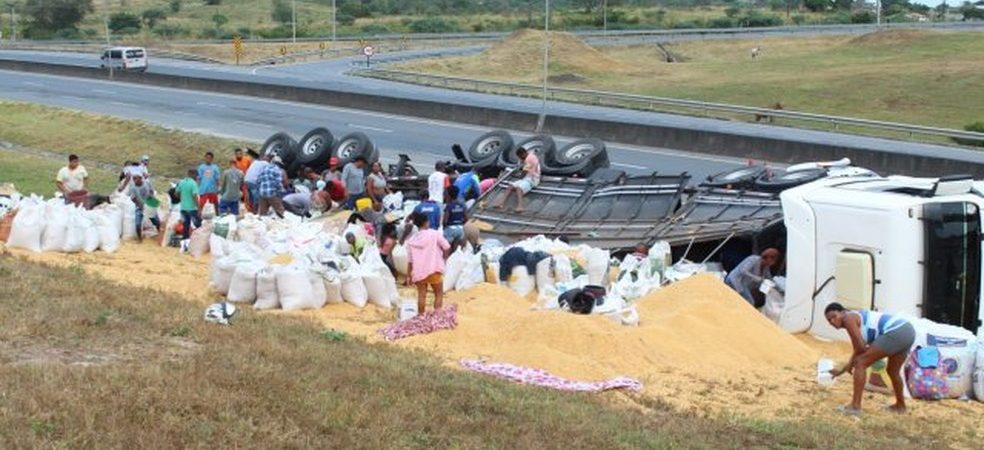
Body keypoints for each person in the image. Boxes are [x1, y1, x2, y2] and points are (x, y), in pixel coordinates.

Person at [825, 303, 915, 416]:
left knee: (860, 364)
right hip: (908, 331)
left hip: (896, 331)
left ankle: (855, 406)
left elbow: (860, 348)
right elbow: (859, 349)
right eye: (829, 320)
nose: (832, 321)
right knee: (893, 371)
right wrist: (844, 369)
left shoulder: (848, 318)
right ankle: (900, 406)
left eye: (834, 316)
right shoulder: (854, 317)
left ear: (843, 312)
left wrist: (848, 366)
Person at [405, 213, 451, 314]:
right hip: (434, 269)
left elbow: (410, 261)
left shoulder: (411, 240)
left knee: (422, 295)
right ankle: (437, 316)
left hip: (418, 272)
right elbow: (446, 247)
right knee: (438, 293)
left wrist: (408, 275)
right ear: (426, 223)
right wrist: (443, 259)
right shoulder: (434, 234)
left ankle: (421, 317)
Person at [492, 147, 540, 212]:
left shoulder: (529, 159)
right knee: (510, 186)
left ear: (523, 154)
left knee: (519, 188)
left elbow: (524, 172)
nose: (520, 158)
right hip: (527, 178)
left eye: (520, 156)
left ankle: (520, 206)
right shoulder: (530, 155)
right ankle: (501, 203)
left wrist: (517, 175)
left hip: (532, 179)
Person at [117, 173, 157, 242]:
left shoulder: (147, 184)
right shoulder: (132, 187)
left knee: (156, 222)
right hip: (139, 208)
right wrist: (138, 204)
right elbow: (132, 198)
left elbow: (152, 192)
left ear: (140, 178)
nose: (135, 180)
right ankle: (140, 239)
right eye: (134, 179)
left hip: (149, 206)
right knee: (137, 224)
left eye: (136, 178)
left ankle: (160, 234)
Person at [176, 169, 201, 241]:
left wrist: (182, 199)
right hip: (192, 209)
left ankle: (185, 242)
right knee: (198, 224)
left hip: (183, 208)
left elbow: (176, 193)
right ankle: (198, 240)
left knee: (186, 226)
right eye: (196, 175)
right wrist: (199, 208)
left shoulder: (182, 182)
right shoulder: (193, 183)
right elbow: (195, 196)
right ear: (192, 174)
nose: (197, 177)